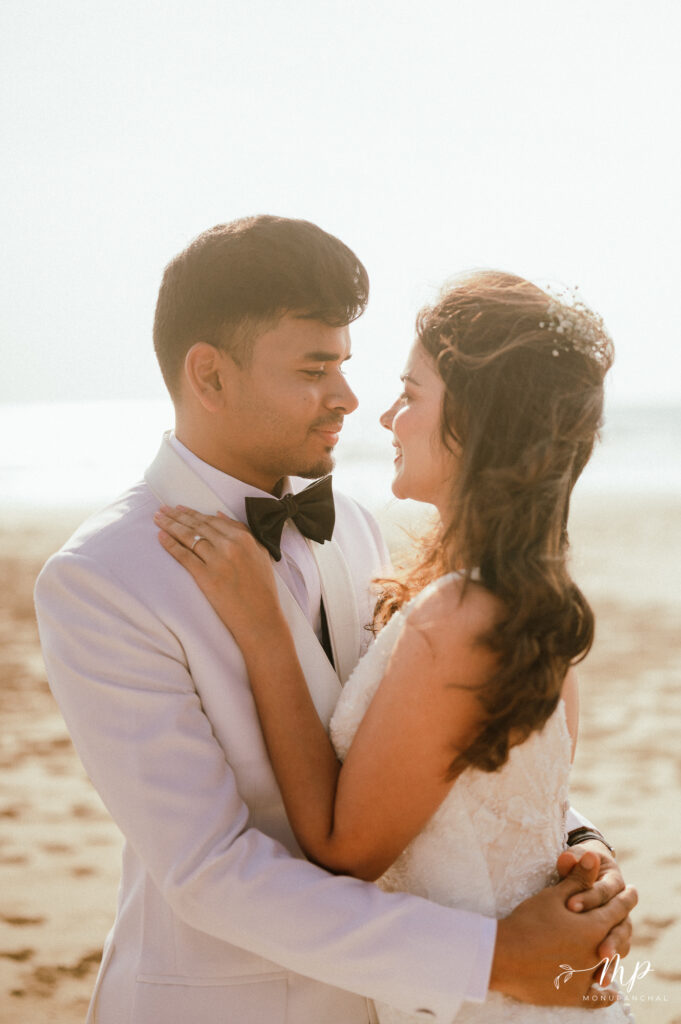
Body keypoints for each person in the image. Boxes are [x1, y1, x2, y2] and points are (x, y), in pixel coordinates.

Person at [35, 219, 636, 1024]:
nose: (350, 399)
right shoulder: (102, 578)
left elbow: (433, 746)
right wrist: (494, 957)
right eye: (315, 370)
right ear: (208, 375)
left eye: (347, 366)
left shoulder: (352, 525)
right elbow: (207, 871)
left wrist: (576, 844)